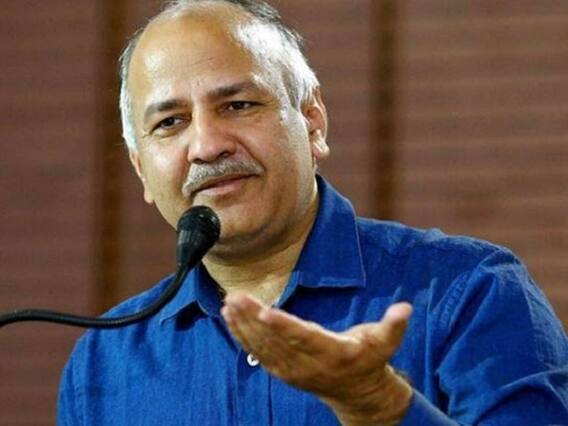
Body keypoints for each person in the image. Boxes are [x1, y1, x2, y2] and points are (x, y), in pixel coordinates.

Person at [58, 0, 568, 424]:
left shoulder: (472, 292)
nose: (208, 145)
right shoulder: (103, 361)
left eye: (239, 105)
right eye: (170, 122)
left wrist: (379, 405)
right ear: (141, 170)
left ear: (313, 121)